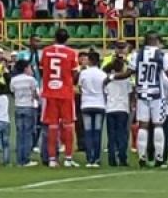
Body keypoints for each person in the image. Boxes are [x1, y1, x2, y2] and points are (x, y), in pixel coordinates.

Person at [121, 31, 168, 167]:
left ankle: (142, 156)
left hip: (142, 93)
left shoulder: (136, 55)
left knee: (143, 125)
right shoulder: (162, 55)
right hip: (157, 94)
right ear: (156, 41)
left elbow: (128, 73)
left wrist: (111, 77)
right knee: (158, 125)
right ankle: (159, 157)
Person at [40, 28, 79, 168]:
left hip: (49, 92)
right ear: (67, 39)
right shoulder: (71, 53)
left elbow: (42, 69)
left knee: (52, 127)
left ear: (54, 38)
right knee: (68, 126)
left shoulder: (46, 51)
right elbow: (74, 73)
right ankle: (68, 159)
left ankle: (52, 159)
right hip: (65, 92)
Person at [77, 51, 107, 168]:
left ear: (89, 60)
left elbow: (80, 87)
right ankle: (97, 158)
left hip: (86, 104)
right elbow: (105, 90)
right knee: (97, 132)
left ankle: (89, 158)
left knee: (88, 132)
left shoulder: (83, 74)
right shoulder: (102, 74)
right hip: (99, 104)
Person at [9, 60, 39, 167]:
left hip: (18, 106)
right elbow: (35, 93)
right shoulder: (31, 80)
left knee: (19, 134)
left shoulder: (14, 80)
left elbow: (12, 91)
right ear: (25, 68)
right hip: (28, 106)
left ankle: (19, 159)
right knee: (27, 134)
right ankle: (25, 159)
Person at [103, 56, 132, 167]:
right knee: (122, 135)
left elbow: (105, 93)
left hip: (110, 108)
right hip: (122, 108)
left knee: (111, 135)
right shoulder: (126, 80)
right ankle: (122, 157)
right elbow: (130, 93)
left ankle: (111, 159)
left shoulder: (108, 80)